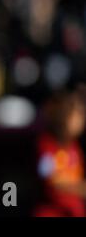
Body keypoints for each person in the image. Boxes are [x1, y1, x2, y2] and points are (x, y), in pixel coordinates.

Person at [33, 88, 86, 217]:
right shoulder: (47, 145)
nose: (81, 120)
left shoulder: (73, 146)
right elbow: (49, 177)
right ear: (63, 116)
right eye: (77, 115)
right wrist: (79, 188)